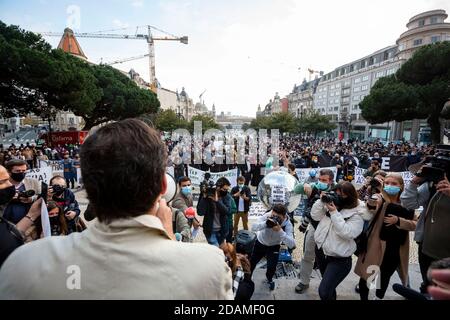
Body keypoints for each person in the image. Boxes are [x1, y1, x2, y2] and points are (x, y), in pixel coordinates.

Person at [0, 119, 233, 299]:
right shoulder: (209, 265)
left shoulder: (25, 263)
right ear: (164, 186)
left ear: (88, 188)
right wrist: (170, 241)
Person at [355, 173, 416, 300]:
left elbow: (416, 224)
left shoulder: (407, 203)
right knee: (368, 276)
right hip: (376, 246)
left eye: (394, 184)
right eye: (387, 183)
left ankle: (378, 297)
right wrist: (372, 193)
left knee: (384, 277)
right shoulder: (380, 198)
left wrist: (399, 221)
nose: (390, 186)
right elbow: (371, 207)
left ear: (401, 186)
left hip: (395, 249)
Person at [311, 182, 365, 300]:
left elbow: (348, 233)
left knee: (324, 291)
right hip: (321, 251)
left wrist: (334, 213)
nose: (337, 197)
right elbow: (314, 216)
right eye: (335, 194)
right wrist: (321, 201)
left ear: (349, 197)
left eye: (341, 195)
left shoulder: (358, 213)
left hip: (339, 259)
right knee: (329, 289)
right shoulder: (331, 204)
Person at [294, 169, 335, 294]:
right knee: (308, 253)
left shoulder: (337, 189)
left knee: (330, 257)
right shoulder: (314, 188)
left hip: (330, 228)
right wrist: (304, 185)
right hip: (313, 225)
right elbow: (296, 189)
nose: (321, 182)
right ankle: (304, 281)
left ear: (331, 181)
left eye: (324, 180)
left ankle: (328, 284)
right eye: (320, 179)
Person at [250, 204, 295, 291]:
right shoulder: (267, 215)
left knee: (272, 266)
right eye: (273, 215)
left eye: (278, 217)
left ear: (284, 216)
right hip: (260, 243)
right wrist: (266, 223)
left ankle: (269, 279)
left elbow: (292, 244)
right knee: (252, 262)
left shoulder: (288, 224)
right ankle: (247, 278)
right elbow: (253, 227)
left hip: (274, 246)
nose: (275, 218)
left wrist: (280, 231)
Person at [2, 160, 41, 225]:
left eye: (23, 171)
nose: (21, 173)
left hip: (28, 223)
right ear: (9, 172)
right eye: (18, 171)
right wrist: (7, 198)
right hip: (4, 222)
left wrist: (31, 198)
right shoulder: (2, 184)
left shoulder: (34, 182)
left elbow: (41, 197)